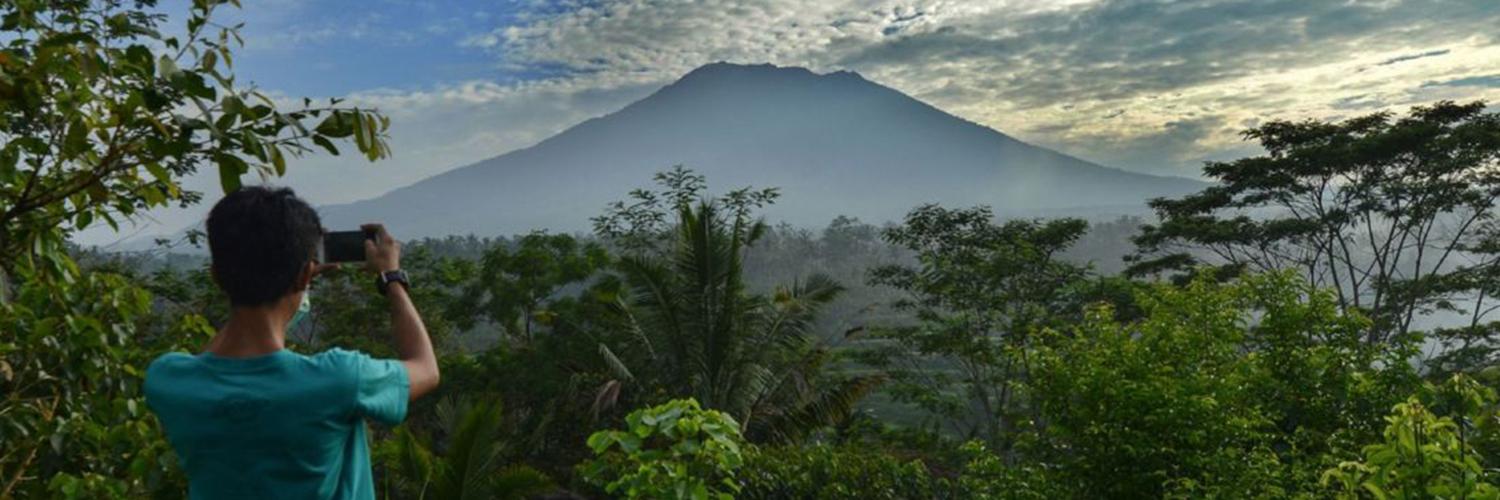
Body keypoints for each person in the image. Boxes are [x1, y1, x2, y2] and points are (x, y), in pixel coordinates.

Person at [145, 186, 440, 499]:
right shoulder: (339, 380)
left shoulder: (168, 381)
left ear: (216, 276)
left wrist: (296, 280)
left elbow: (219, 357)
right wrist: (391, 279)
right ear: (304, 276)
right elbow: (426, 367)